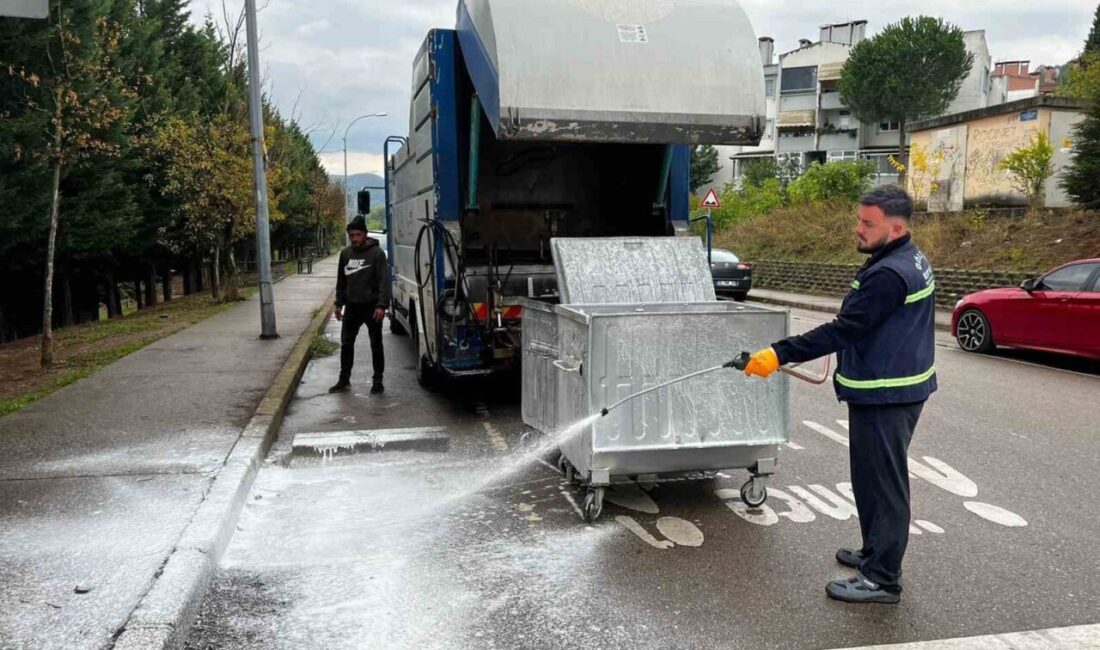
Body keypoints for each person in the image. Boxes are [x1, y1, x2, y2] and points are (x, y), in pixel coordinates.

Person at [742, 185, 936, 604]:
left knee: (884, 487)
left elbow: (845, 329)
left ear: (897, 227)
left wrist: (778, 353)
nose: (859, 229)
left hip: (887, 394)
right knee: (870, 480)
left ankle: (882, 579)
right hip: (893, 388)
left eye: (869, 224)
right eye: (859, 220)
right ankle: (874, 551)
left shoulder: (888, 274)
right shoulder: (903, 257)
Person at [329, 215, 391, 394]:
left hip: (372, 308)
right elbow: (341, 281)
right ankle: (344, 379)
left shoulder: (377, 254)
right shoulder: (346, 254)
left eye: (358, 234)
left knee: (376, 344)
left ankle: (377, 381)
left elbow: (383, 282)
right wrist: (338, 304)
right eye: (351, 235)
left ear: (365, 234)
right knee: (346, 344)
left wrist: (381, 305)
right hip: (352, 307)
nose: (354, 238)